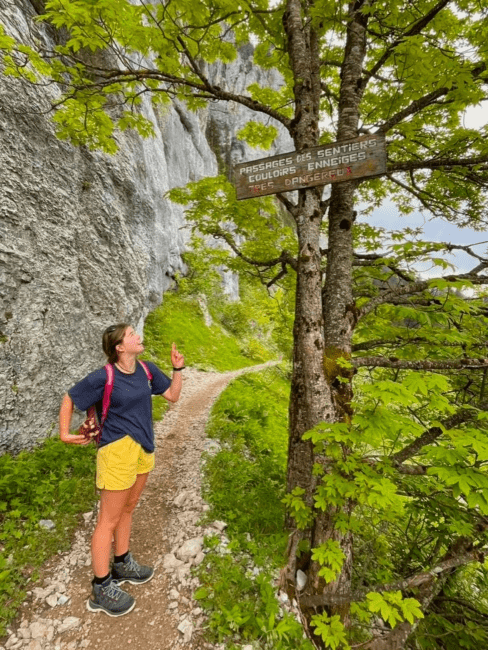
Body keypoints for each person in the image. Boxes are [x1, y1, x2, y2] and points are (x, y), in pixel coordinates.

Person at [58, 324, 184, 617]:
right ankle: (101, 587)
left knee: (128, 509)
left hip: (143, 448)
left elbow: (173, 397)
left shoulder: (147, 370)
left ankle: (123, 562)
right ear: (119, 347)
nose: (137, 336)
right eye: (131, 335)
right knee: (108, 520)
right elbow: (70, 398)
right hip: (116, 451)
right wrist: (65, 433)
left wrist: (178, 369)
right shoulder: (105, 376)